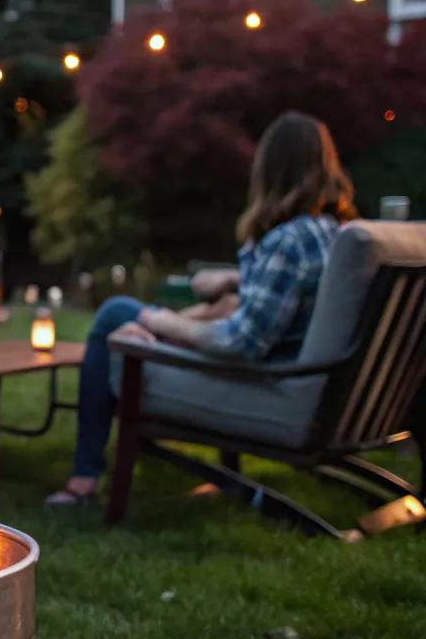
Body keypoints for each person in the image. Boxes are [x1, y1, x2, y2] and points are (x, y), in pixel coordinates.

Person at [46, 111, 358, 507]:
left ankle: (84, 480)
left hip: (264, 378)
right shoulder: (334, 233)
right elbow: (299, 296)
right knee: (135, 315)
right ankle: (88, 472)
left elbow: (242, 342)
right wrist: (237, 280)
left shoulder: (288, 240)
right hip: (309, 377)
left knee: (116, 314)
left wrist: (159, 321)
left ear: (270, 169)